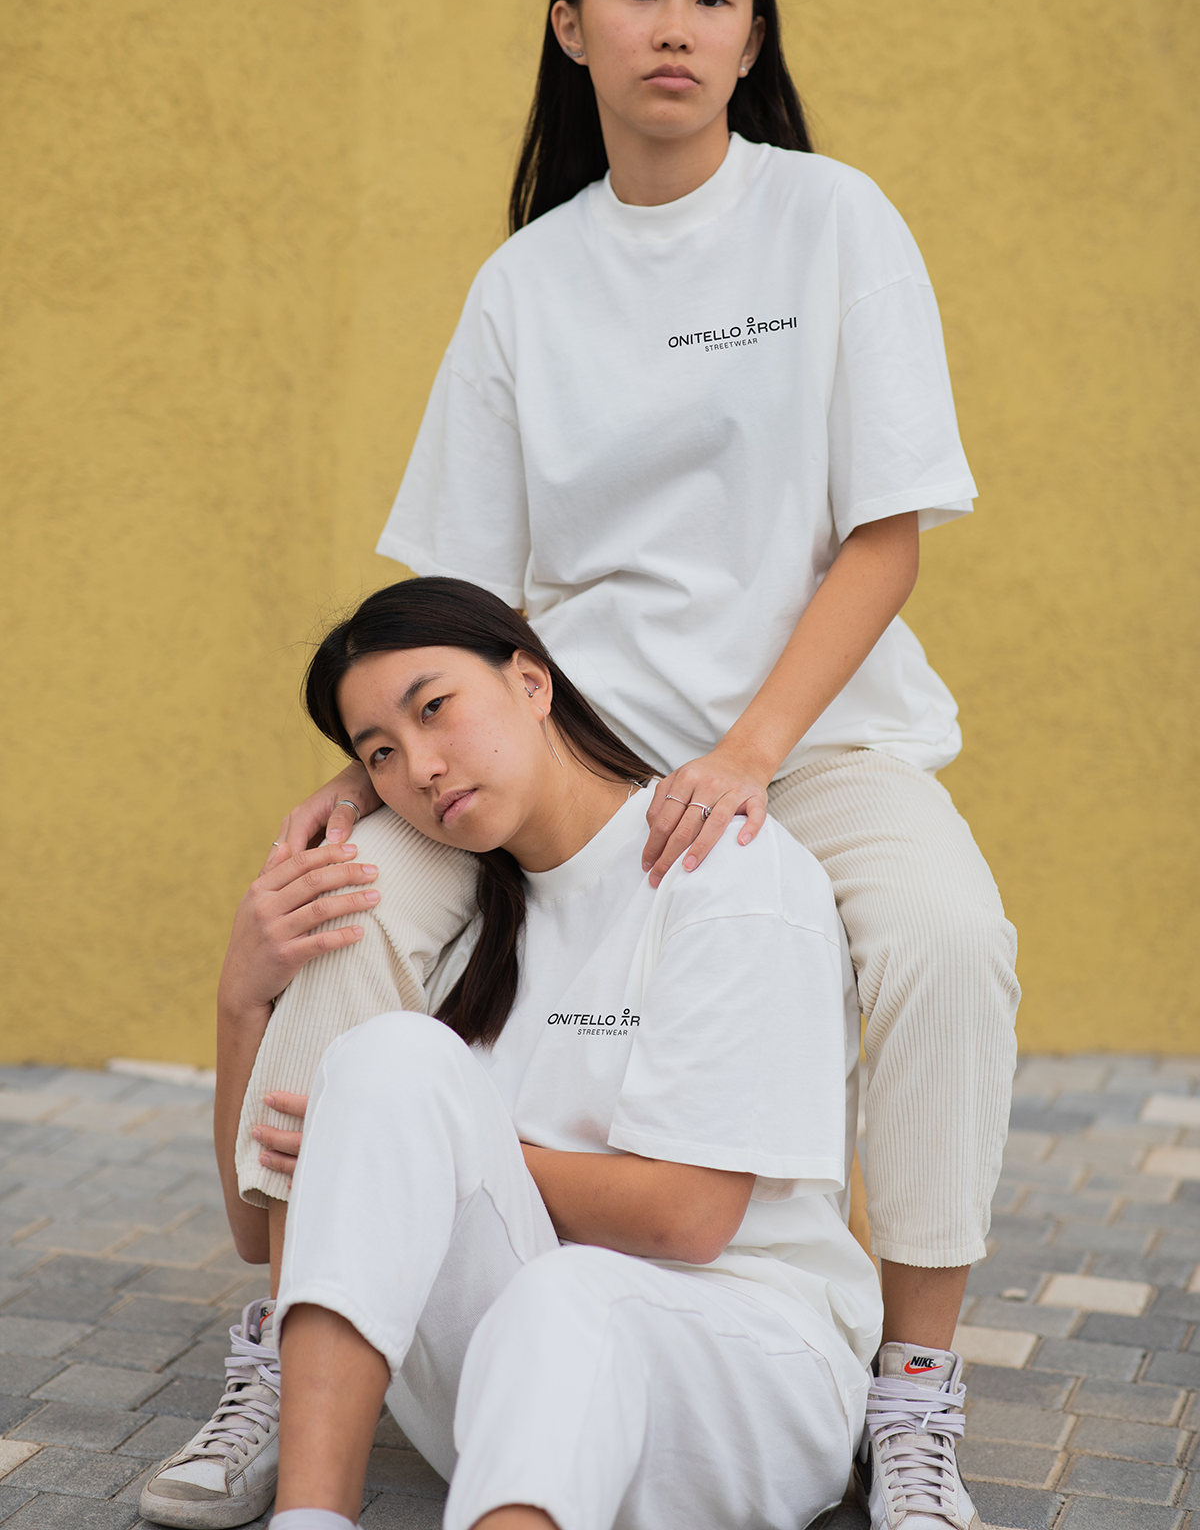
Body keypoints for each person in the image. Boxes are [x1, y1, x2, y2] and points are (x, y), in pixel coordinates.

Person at [146, 0, 1017, 1530]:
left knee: (946, 940)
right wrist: (373, 775)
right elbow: (460, 604)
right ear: (571, 29)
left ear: (753, 35)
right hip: (583, 747)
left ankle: (911, 1386)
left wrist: (752, 753)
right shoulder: (525, 287)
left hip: (811, 736)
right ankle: (287, 1325)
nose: (675, 24)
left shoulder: (834, 221)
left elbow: (887, 536)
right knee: (351, 905)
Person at [146, 578, 883, 1530]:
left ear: (531, 682)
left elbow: (691, 1216)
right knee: (389, 1062)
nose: (421, 766)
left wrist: (437, 1158)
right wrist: (240, 1001)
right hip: (507, 1373)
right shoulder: (457, 930)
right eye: (381, 754)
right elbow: (268, 1238)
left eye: (435, 710)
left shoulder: (720, 866)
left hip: (743, 1377)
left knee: (568, 1298)